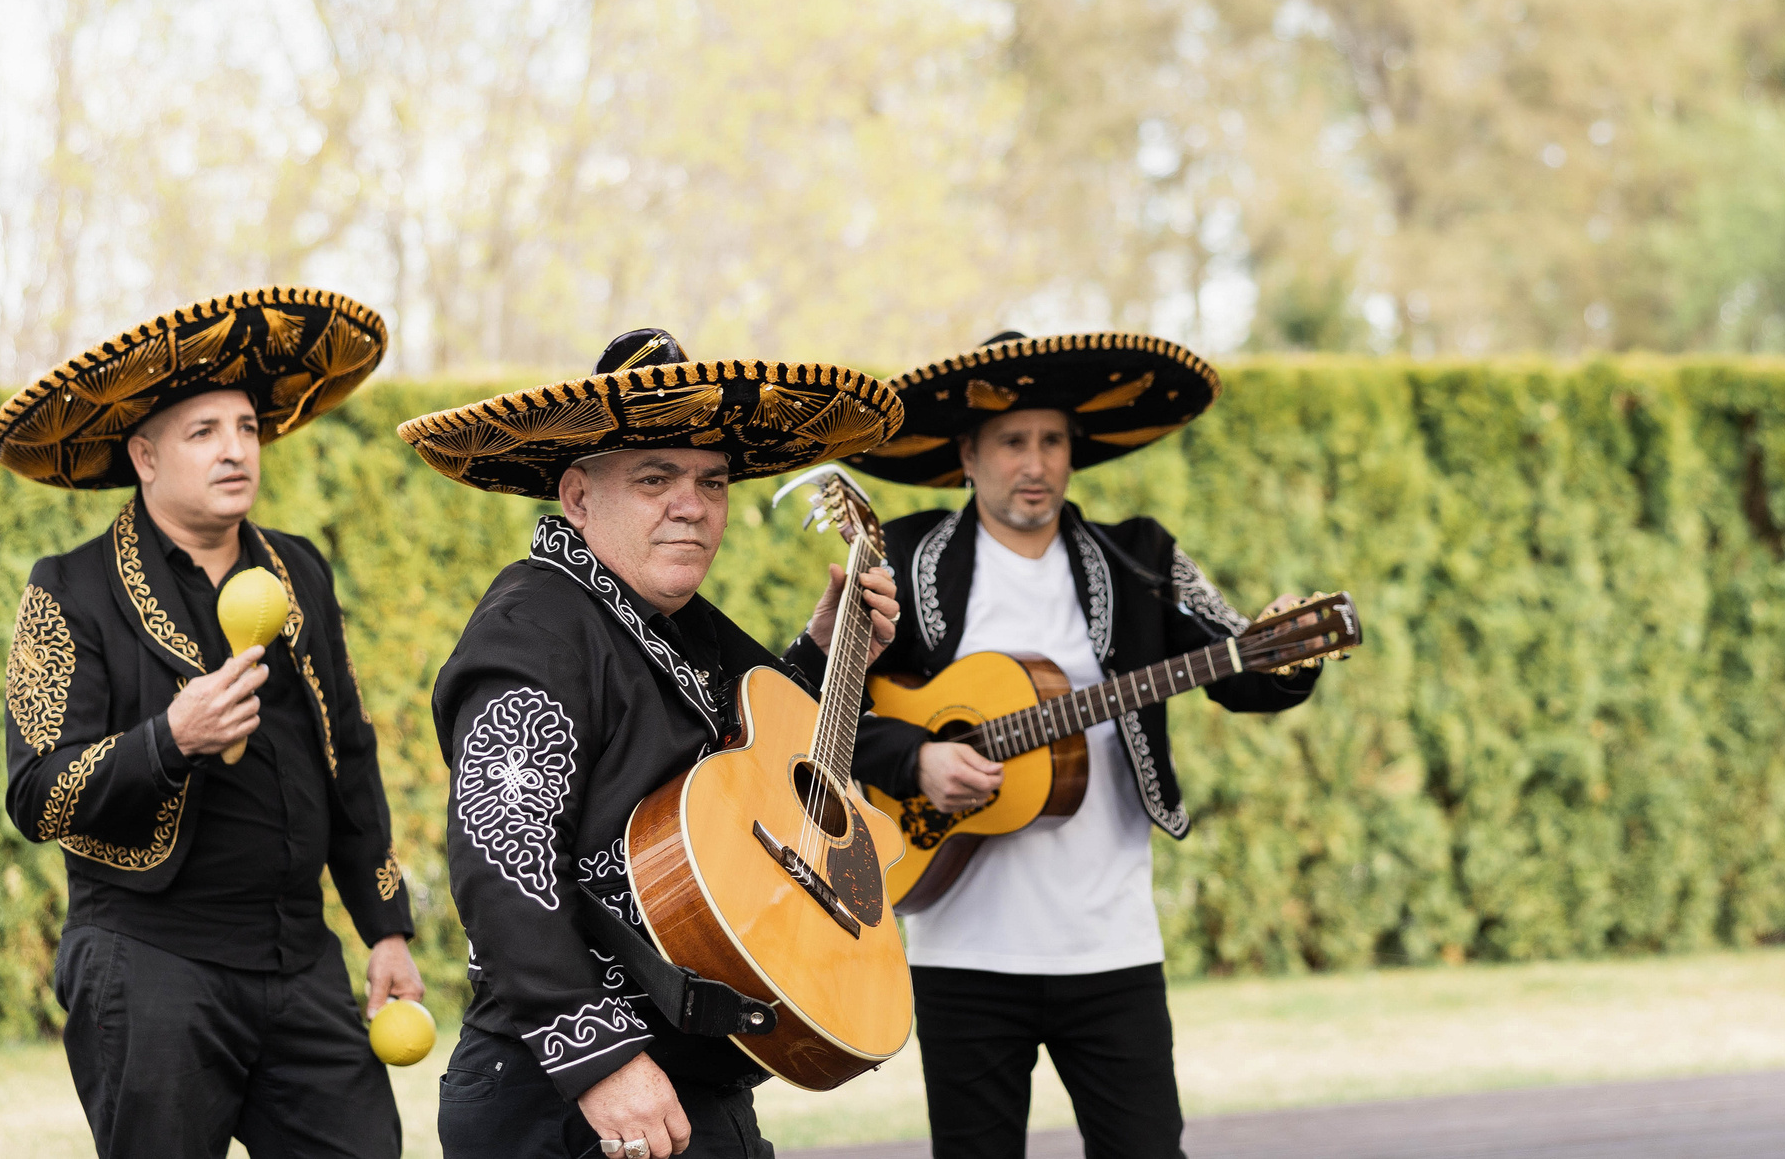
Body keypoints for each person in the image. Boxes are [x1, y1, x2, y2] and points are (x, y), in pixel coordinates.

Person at [400, 328, 907, 1159]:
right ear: (577, 496)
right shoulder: (532, 627)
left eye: (713, 481)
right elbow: (501, 850)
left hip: (692, 1082)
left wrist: (825, 653)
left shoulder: (686, 625)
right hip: (565, 1100)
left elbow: (766, 770)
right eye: (654, 478)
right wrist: (598, 1058)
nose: (692, 505)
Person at [839, 331, 1325, 1159]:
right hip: (962, 948)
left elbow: (1237, 665)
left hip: (1110, 943)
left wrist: (1287, 657)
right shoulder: (907, 558)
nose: (1035, 463)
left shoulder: (1141, 558)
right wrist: (915, 758)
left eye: (1053, 440)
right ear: (968, 454)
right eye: (1012, 441)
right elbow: (824, 707)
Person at [0, 288, 419, 1159]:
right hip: (149, 962)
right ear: (144, 455)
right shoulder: (68, 588)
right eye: (204, 431)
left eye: (247, 428)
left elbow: (349, 755)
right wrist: (168, 739)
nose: (236, 449)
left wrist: (386, 926)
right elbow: (37, 793)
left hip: (300, 959)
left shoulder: (301, 570)